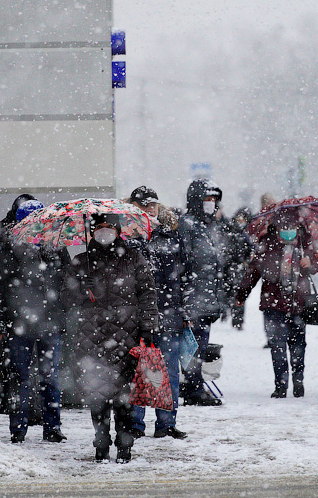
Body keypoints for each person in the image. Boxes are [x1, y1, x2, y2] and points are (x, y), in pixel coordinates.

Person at [62, 213, 158, 462]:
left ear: (118, 230)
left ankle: (124, 444)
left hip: (127, 338)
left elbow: (147, 296)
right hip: (91, 338)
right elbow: (64, 299)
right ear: (92, 231)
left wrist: (148, 328)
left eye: (109, 227)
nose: (104, 232)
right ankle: (101, 441)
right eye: (99, 227)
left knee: (124, 396)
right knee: (97, 393)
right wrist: (81, 287)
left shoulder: (134, 259)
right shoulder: (81, 262)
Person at [127, 186, 189, 440]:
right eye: (144, 205)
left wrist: (184, 308)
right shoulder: (127, 239)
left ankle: (166, 423)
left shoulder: (171, 236)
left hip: (168, 313)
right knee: (138, 370)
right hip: (137, 316)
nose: (149, 210)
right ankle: (135, 423)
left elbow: (185, 275)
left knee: (169, 372)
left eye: (152, 205)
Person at [235, 212, 317, 398]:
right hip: (273, 302)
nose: (288, 232)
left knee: (298, 345)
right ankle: (280, 385)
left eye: (291, 228)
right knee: (277, 346)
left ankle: (298, 381)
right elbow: (253, 270)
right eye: (283, 228)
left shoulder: (305, 241)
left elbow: (315, 267)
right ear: (276, 227)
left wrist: (309, 263)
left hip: (299, 303)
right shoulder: (267, 243)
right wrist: (242, 294)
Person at [0, 193, 40, 413]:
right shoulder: (5, 236)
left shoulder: (3, 233)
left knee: (16, 367)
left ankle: (19, 410)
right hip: (14, 313)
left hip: (20, 313)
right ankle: (21, 410)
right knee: (17, 367)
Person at [177, 178, 227, 406]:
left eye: (214, 199)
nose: (211, 203)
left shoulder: (206, 226)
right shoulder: (187, 225)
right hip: (193, 299)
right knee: (193, 346)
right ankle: (193, 388)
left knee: (199, 345)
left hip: (205, 298)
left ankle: (193, 385)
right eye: (207, 199)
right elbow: (183, 263)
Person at [224, 207, 254, 330]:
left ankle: (238, 319)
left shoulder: (246, 235)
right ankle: (232, 315)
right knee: (230, 293)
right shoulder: (232, 232)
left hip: (240, 268)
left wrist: (247, 261)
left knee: (239, 294)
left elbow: (250, 250)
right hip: (231, 268)